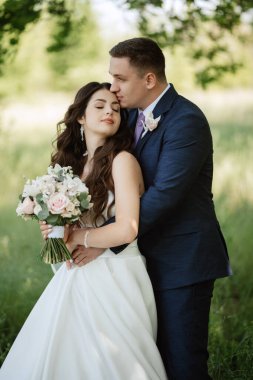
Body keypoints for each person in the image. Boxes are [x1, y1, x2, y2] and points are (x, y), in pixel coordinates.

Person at [64, 38, 232, 379]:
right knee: (143, 358)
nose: (113, 87)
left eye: (120, 79)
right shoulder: (125, 116)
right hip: (137, 264)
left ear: (149, 80)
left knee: (183, 361)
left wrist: (102, 239)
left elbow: (164, 194)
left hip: (180, 260)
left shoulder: (186, 121)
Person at [0, 82, 168, 380]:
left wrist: (76, 236)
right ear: (80, 116)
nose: (109, 112)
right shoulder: (71, 168)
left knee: (117, 362)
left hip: (117, 275)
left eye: (115, 108)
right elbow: (68, 228)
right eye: (100, 106)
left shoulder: (123, 161)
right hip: (75, 272)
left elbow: (127, 230)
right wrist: (52, 228)